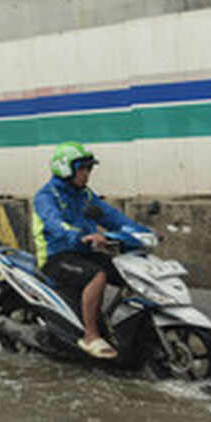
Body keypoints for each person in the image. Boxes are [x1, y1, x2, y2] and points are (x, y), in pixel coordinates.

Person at [35, 141, 150, 359]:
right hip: (56, 257)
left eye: (89, 169)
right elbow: (54, 224)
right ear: (66, 168)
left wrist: (142, 232)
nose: (87, 174)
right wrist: (79, 235)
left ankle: (123, 328)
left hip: (83, 252)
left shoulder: (85, 195)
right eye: (82, 168)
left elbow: (113, 217)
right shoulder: (47, 196)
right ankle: (90, 335)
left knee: (128, 270)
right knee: (98, 275)